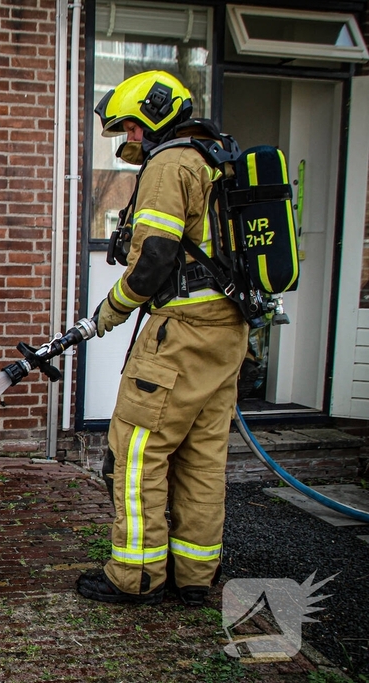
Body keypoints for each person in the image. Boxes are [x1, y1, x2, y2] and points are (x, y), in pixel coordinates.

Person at [75, 71, 248, 607]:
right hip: (226, 332)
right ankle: (196, 576)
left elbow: (152, 261)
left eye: (128, 127)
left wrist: (108, 311)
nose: (126, 139)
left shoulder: (170, 164)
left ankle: (137, 576)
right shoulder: (214, 159)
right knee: (202, 454)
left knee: (137, 452)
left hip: (182, 334)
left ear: (151, 116)